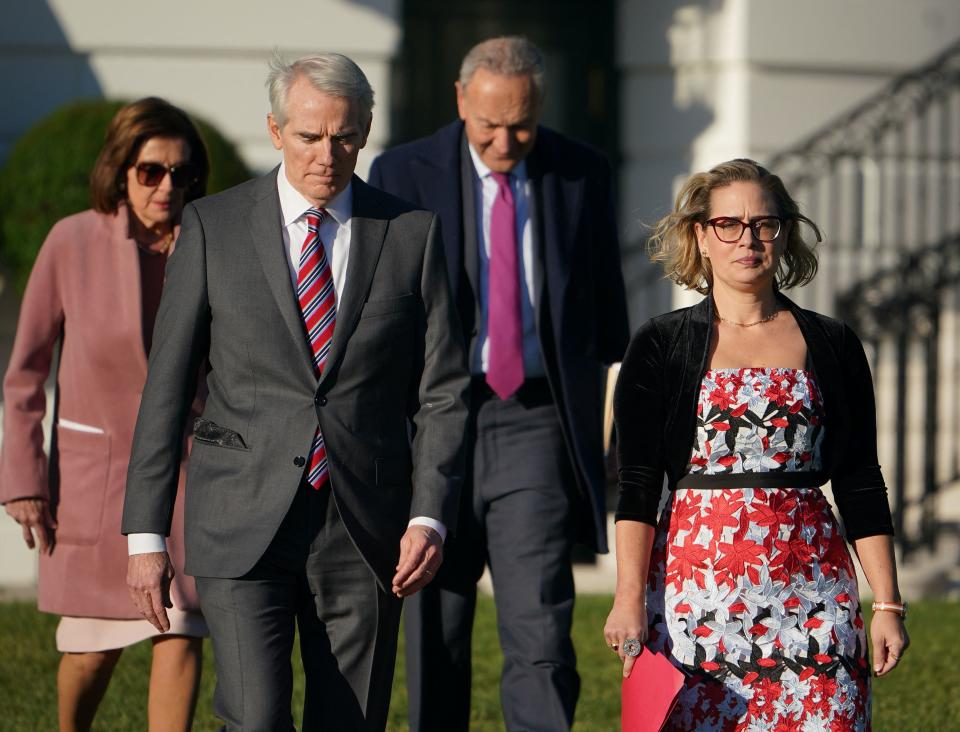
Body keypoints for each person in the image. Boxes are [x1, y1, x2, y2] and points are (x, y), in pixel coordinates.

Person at [121, 52, 469, 731]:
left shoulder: (410, 234)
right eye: (309, 136)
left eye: (343, 135)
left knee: (350, 720)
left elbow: (443, 392)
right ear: (276, 131)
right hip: (239, 515)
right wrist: (144, 533)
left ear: (365, 131)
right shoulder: (211, 228)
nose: (326, 154)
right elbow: (166, 387)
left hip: (364, 526)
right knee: (256, 717)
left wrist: (429, 516)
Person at [369, 36, 629, 731]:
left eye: (522, 123)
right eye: (489, 124)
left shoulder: (581, 171)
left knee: (540, 629)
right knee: (436, 627)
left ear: (540, 107)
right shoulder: (401, 172)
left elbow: (605, 306)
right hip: (432, 422)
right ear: (460, 101)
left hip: (534, 420)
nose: (506, 139)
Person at [604, 159, 910, 729]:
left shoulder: (833, 343)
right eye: (728, 223)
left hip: (813, 590)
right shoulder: (660, 344)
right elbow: (639, 485)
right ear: (700, 234)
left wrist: (887, 603)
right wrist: (627, 599)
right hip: (694, 596)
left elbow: (861, 480)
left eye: (763, 224)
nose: (747, 238)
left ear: (783, 233)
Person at [0, 97, 210, 732]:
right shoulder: (72, 241)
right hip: (96, 477)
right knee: (88, 652)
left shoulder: (210, 241)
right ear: (121, 171)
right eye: (151, 171)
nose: (166, 186)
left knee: (180, 628)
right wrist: (24, 481)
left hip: (189, 475)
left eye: (181, 173)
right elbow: (24, 375)